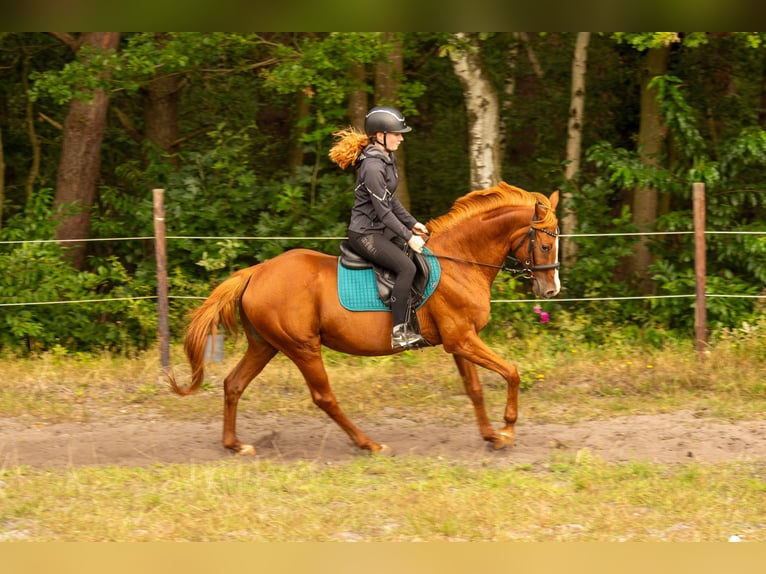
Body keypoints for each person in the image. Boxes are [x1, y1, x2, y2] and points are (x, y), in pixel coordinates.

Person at [329, 105, 427, 348]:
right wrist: (408, 236)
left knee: (412, 258)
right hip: (364, 235)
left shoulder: (387, 158)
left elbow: (392, 200)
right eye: (397, 133)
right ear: (380, 135)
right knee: (406, 267)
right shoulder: (372, 167)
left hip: (380, 230)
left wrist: (413, 223)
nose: (401, 138)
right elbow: (384, 213)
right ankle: (399, 331)